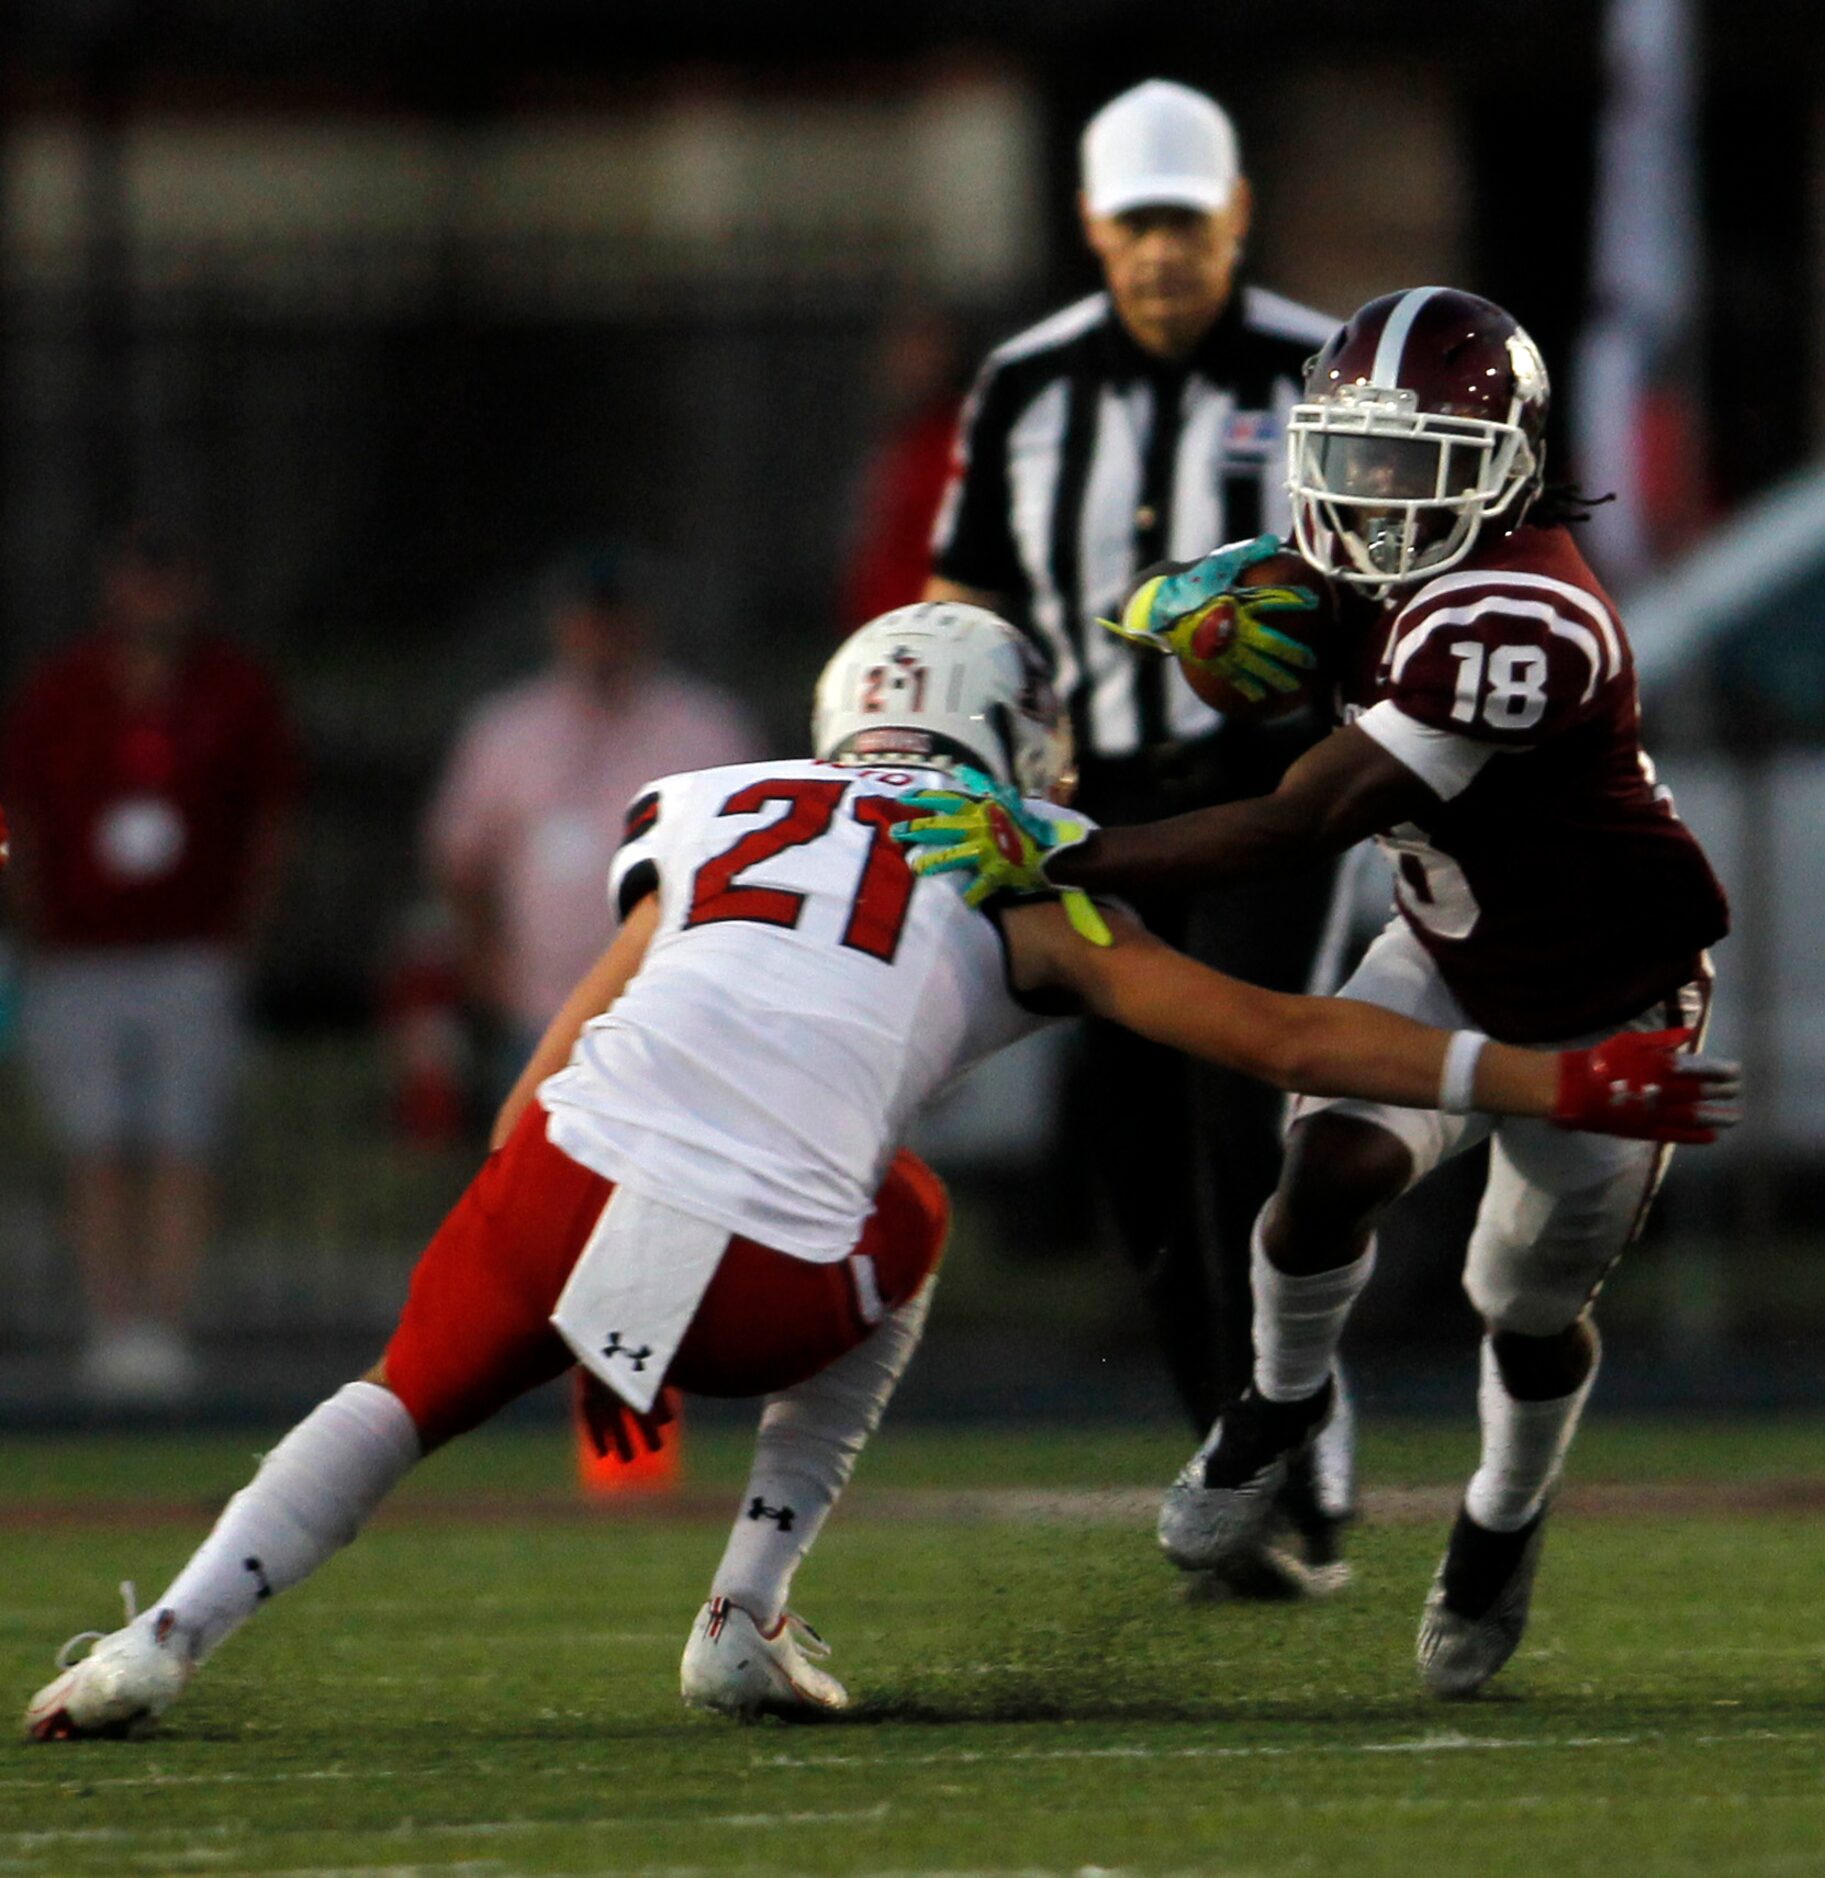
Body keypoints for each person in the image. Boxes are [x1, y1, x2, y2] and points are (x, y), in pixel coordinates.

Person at [23, 601, 1730, 1742]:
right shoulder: (1026, 882)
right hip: (759, 1266)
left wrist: (595, 1314)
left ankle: (156, 1641)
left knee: (394, 1395)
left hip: (550, 1187)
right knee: (907, 1218)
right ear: (1014, 735)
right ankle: (745, 1612)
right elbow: (1283, 1041)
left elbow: (565, 1040)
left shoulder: (710, 802)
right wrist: (1542, 1073)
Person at [896, 288, 1734, 1697]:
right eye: (1353, 456)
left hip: (1611, 987)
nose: (1373, 497)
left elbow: (1300, 820)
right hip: (1447, 940)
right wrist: (1209, 633)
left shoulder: (1521, 612)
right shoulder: (1369, 554)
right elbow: (1256, 637)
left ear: (1506, 464)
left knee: (1521, 1302)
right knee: (1323, 1164)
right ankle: (1271, 1409)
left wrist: (1070, 848)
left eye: (1412, 464)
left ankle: (1501, 1516)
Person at [924, 77, 1353, 1581]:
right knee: (1132, 1157)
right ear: (1094, 225)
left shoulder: (1318, 366)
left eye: (1187, 219)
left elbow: (1384, 569)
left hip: (1260, 799)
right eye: (1136, 223)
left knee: (1236, 1113)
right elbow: (963, 592)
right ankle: (1233, 1454)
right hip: (1080, 808)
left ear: (1234, 214)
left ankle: (1287, 1418)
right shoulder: (1028, 383)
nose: (1162, 251)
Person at [0, 524, 301, 1405]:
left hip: (191, 952)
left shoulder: (235, 689)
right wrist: (29, 916)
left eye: (170, 579)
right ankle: (112, 1323)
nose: (155, 597)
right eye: (141, 578)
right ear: (114, 586)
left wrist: (245, 929)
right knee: (97, 1146)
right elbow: (19, 807)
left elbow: (273, 817)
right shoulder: (59, 690)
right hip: (79, 956)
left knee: (182, 1145)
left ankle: (164, 1327)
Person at [424, 541, 764, 1095]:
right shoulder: (506, 729)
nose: (604, 632)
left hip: (673, 1014)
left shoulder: (706, 727)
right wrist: (486, 964)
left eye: (618, 616)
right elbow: (461, 859)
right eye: (590, 617)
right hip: (541, 1012)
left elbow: (753, 856)